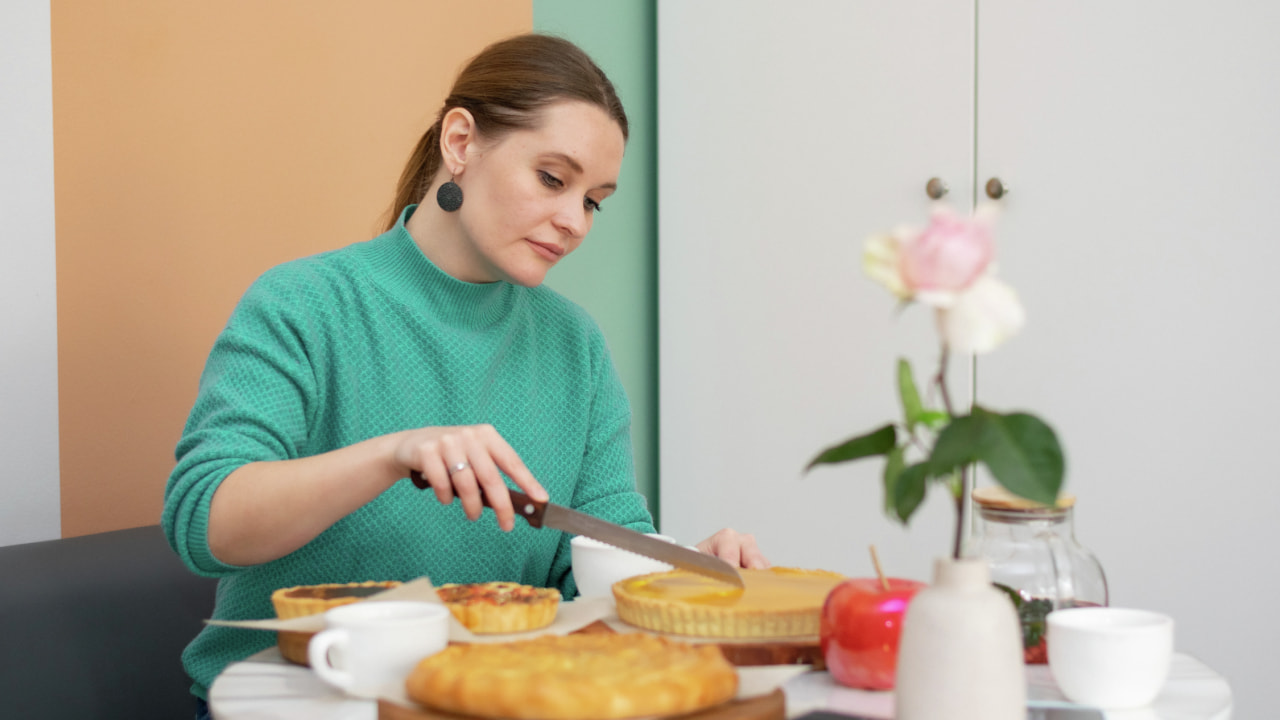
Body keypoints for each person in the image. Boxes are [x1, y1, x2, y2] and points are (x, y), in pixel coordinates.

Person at [161, 33, 769, 717]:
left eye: (594, 200)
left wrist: (685, 570)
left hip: (478, 702)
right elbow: (204, 522)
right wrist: (394, 452)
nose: (573, 222)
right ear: (459, 142)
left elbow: (593, 554)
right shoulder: (304, 304)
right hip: (299, 700)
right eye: (551, 178)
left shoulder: (575, 345)